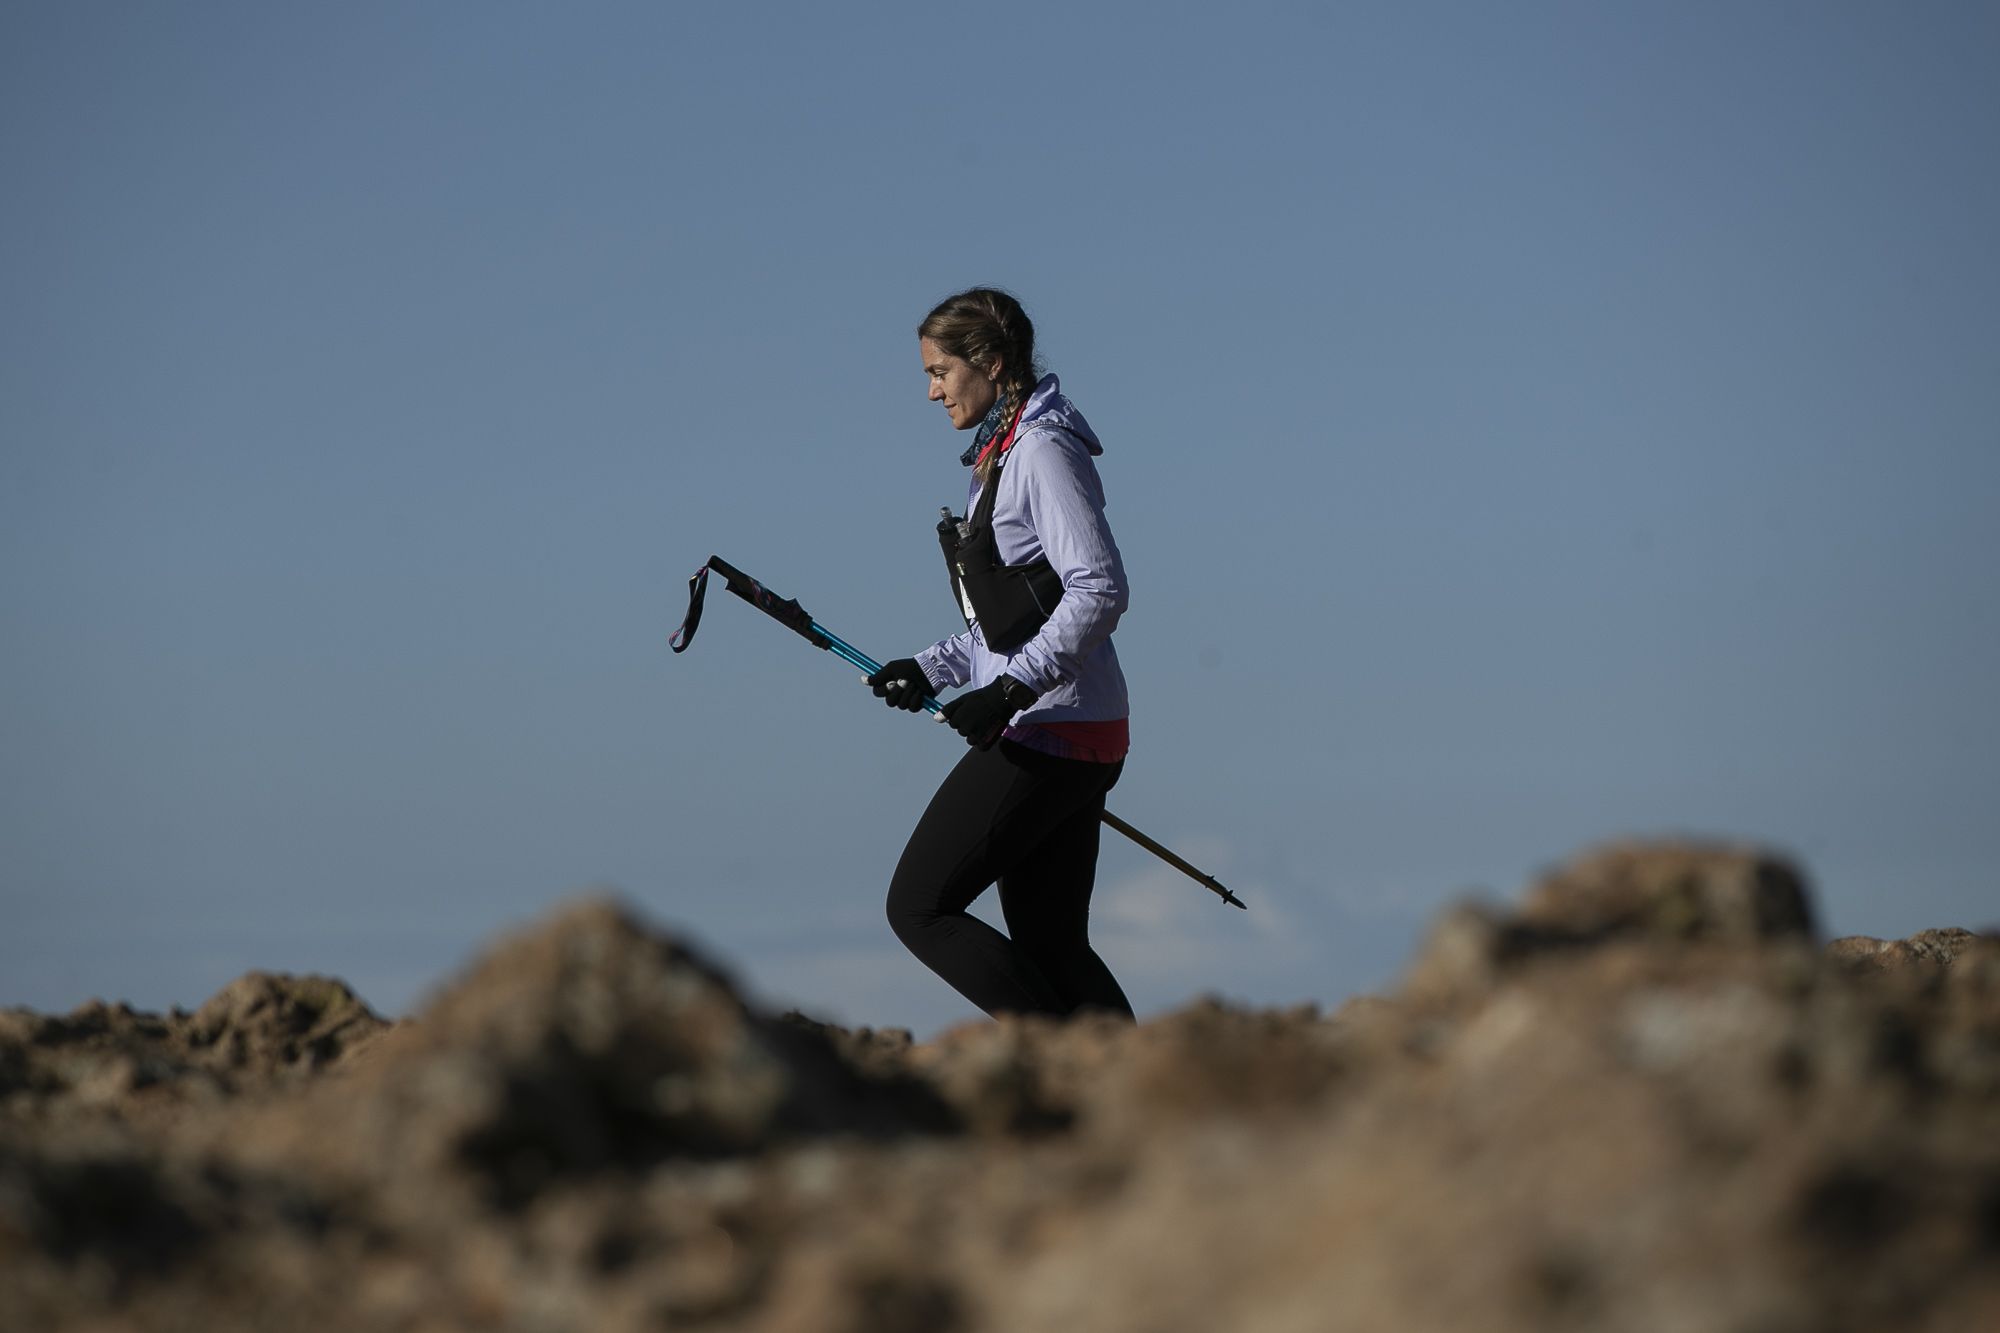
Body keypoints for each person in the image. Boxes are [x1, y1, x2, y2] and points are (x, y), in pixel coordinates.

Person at [864, 287, 1136, 1021]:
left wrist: (1011, 692)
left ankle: (1057, 1072)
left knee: (919, 907)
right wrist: (931, 667)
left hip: (1051, 726)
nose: (930, 391)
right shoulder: (1002, 452)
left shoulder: (1042, 451)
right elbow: (1009, 619)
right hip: (1069, 723)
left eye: (940, 371)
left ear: (988, 361)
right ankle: (1133, 1089)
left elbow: (1100, 588)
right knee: (1051, 940)